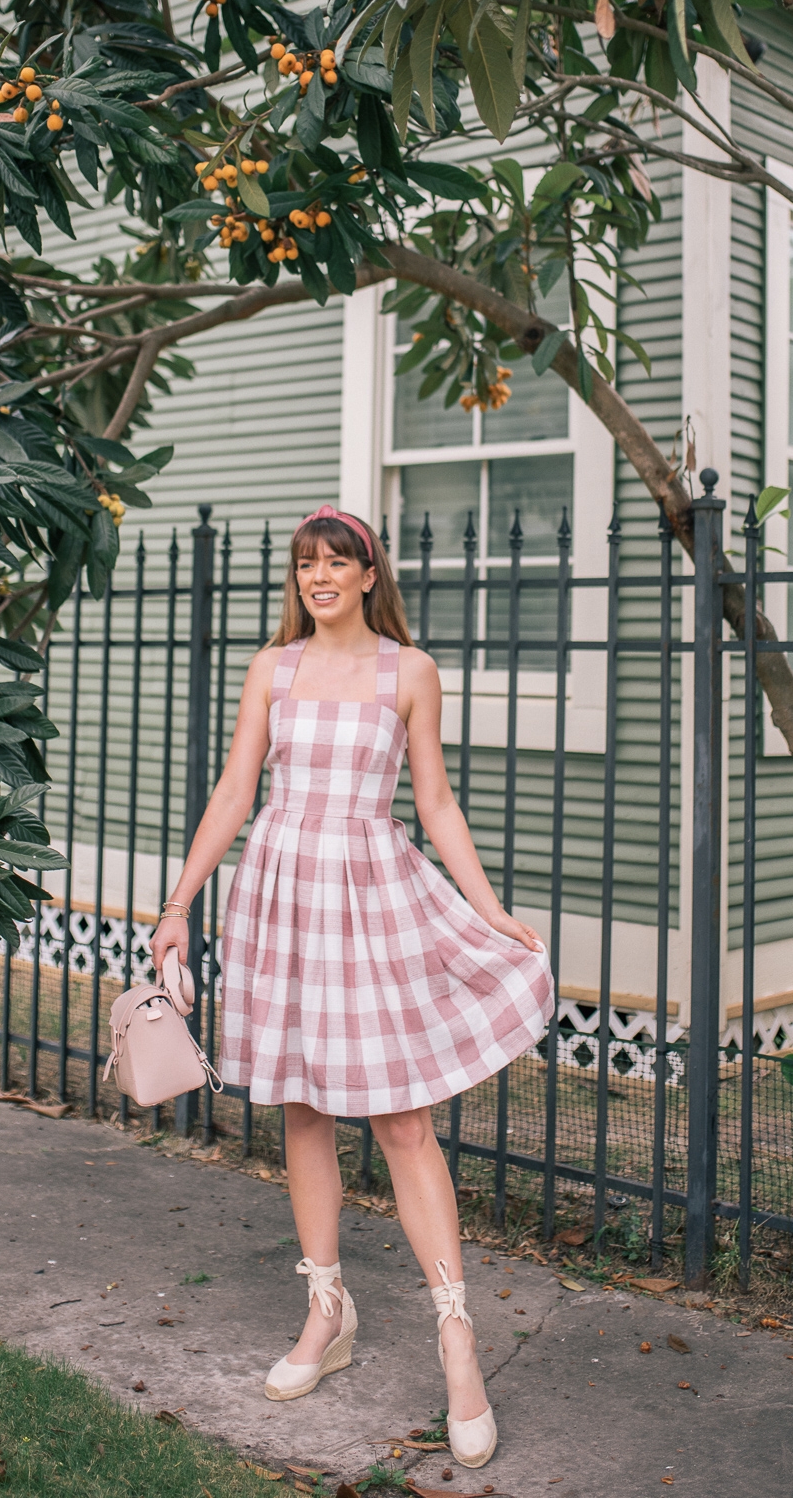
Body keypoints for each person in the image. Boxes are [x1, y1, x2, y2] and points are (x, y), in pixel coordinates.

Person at [149, 506, 554, 1469]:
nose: (320, 576)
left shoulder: (408, 673)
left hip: (372, 896)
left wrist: (489, 909)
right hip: (280, 892)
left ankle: (457, 1337)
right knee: (300, 1107)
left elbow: (437, 802)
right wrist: (177, 905)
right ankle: (327, 1311)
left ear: (370, 575)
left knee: (404, 1119)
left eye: (338, 562)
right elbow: (236, 792)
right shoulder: (272, 669)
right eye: (306, 564)